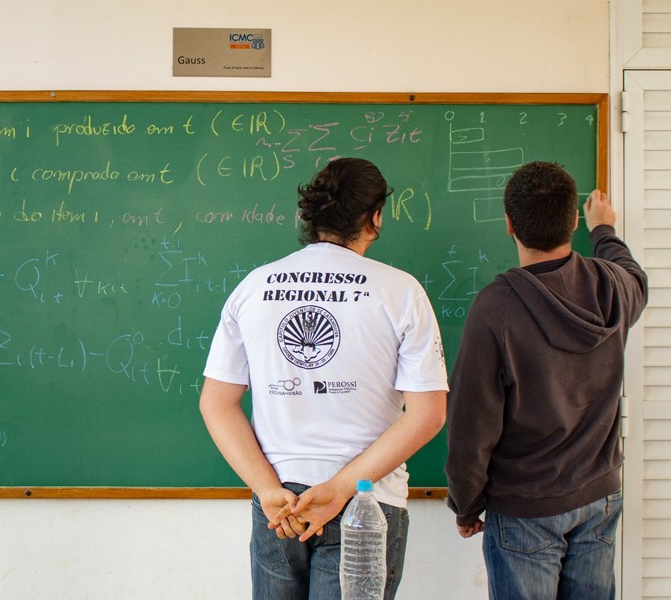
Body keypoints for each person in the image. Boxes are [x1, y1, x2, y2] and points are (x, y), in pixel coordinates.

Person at [199, 157, 448, 600]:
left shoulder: (254, 287)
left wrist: (267, 490)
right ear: (374, 218)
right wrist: (337, 490)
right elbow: (427, 414)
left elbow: (216, 403)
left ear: (308, 216)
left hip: (279, 504)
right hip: (366, 499)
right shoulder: (400, 291)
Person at [445, 161, 648, 599]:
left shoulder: (496, 308)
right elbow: (637, 277)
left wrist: (465, 503)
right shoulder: (612, 284)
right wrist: (605, 231)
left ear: (508, 224)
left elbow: (470, 423)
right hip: (600, 498)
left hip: (525, 509)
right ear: (573, 220)